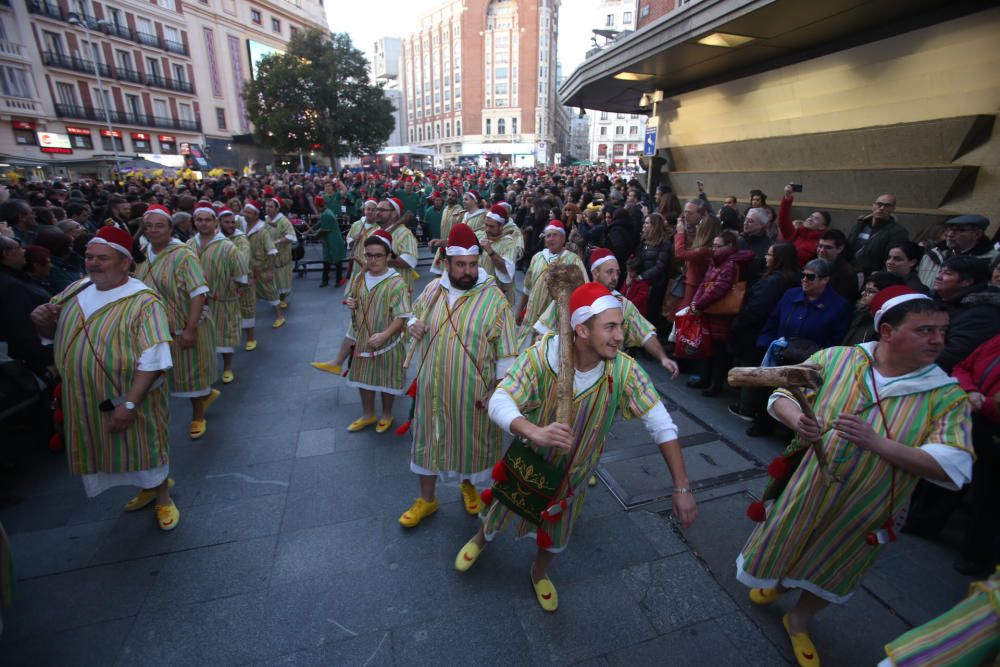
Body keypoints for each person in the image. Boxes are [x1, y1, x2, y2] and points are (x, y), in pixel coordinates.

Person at [737, 287, 973, 667]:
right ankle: (778, 582)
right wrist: (797, 418)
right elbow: (781, 394)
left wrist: (877, 443)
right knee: (791, 538)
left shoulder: (946, 395)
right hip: (809, 487)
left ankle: (798, 621)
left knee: (836, 562)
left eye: (942, 330)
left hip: (869, 506)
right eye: (925, 330)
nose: (939, 339)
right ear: (889, 331)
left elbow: (953, 465)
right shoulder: (835, 359)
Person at [455, 282, 698, 611]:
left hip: (574, 475)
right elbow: (501, 398)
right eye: (610, 326)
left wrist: (682, 487)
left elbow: (661, 424)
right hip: (528, 461)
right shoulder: (544, 355)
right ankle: (481, 539)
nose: (619, 335)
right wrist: (535, 432)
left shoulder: (623, 370)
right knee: (503, 504)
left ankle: (539, 573)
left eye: (621, 325)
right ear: (582, 329)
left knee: (556, 530)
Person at [30, 226, 180, 530]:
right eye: (89, 257)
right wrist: (43, 324)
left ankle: (163, 496)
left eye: (103, 258)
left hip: (128, 397)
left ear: (125, 263)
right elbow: (54, 337)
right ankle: (148, 488)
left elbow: (154, 359)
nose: (93, 263)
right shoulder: (75, 291)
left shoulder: (144, 301)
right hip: (85, 400)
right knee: (112, 450)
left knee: (146, 447)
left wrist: (129, 404)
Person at [400, 223, 517, 528]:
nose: (468, 271)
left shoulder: (495, 301)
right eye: (461, 265)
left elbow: (507, 356)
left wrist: (499, 389)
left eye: (473, 264)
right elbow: (414, 315)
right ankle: (427, 500)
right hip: (431, 390)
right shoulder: (432, 290)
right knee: (427, 443)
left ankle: (468, 486)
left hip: (472, 395)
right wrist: (412, 324)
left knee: (470, 444)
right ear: (447, 263)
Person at [134, 204, 219, 440]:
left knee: (192, 374)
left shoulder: (183, 253)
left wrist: (190, 329)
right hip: (154, 327)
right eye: (148, 226)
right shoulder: (141, 252)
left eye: (159, 225)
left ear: (170, 228)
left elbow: (198, 293)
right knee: (161, 377)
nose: (153, 231)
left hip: (182, 324)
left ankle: (198, 415)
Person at [534, 248, 680, 378]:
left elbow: (645, 332)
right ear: (595, 272)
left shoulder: (622, 304)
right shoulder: (572, 296)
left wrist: (663, 358)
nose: (615, 277)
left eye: (617, 273)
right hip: (569, 372)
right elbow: (542, 331)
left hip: (606, 378)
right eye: (609, 272)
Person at [341, 230, 411, 433]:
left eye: (377, 255)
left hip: (387, 343)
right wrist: (353, 303)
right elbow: (353, 299)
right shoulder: (360, 278)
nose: (372, 260)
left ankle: (387, 414)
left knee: (386, 379)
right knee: (364, 379)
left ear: (388, 256)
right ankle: (368, 414)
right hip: (363, 340)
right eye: (368, 255)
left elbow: (402, 316)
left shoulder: (396, 282)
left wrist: (384, 335)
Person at [728, 242, 800, 429]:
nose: (766, 257)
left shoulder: (774, 281)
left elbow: (757, 307)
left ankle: (747, 407)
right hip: (766, 331)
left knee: (751, 368)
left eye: (769, 254)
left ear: (779, 259)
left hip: (756, 330)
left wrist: (739, 322)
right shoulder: (788, 279)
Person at [950, 334, 1000, 577]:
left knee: (988, 497)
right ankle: (924, 523)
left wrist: (986, 405)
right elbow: (963, 366)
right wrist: (969, 390)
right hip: (969, 414)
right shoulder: (996, 341)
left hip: (992, 427)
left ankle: (976, 556)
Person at [688, 231, 755, 396]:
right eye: (714, 245)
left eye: (719, 246)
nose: (715, 249)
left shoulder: (730, 264)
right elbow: (705, 283)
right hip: (709, 310)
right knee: (708, 347)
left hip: (721, 313)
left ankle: (715, 383)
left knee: (719, 351)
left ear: (730, 246)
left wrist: (700, 303)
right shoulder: (715, 262)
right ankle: (705, 378)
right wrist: (696, 301)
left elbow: (719, 288)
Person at [188, 205, 248, 385]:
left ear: (215, 222)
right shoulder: (189, 245)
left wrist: (236, 288)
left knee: (225, 336)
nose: (203, 223)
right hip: (195, 301)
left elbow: (240, 272)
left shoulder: (227, 246)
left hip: (222, 299)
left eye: (207, 220)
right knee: (200, 339)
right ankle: (206, 370)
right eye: (199, 220)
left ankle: (227, 367)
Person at [756, 258, 852, 356]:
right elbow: (772, 322)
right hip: (778, 357)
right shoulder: (790, 295)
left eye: (810, 277)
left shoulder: (839, 306)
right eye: (802, 275)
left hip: (812, 364)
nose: (804, 279)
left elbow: (835, 341)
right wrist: (765, 346)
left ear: (825, 280)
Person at [515, 220, 587, 349]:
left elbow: (583, 289)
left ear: (563, 238)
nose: (551, 239)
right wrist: (520, 310)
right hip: (532, 315)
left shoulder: (572, 260)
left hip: (555, 320)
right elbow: (527, 287)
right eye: (548, 236)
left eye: (555, 235)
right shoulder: (537, 257)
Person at [930, 255, 1000, 373]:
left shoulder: (983, 314)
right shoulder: (935, 300)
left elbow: (953, 355)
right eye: (940, 271)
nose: (938, 276)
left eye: (947, 273)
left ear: (967, 282)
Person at [916, 214, 997, 289]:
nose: (950, 234)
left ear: (977, 235)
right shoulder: (933, 254)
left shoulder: (993, 260)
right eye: (948, 229)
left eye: (959, 230)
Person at [244, 200, 284, 337]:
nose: (246, 215)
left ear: (256, 215)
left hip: (262, 268)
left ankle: (279, 316)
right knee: (247, 297)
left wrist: (270, 270)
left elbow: (271, 251)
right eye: (246, 212)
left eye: (249, 212)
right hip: (248, 270)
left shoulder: (262, 231)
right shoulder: (242, 227)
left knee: (271, 292)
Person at [218, 208, 255, 354]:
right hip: (223, 283)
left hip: (243, 281)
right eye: (227, 222)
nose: (231, 225)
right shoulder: (216, 239)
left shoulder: (241, 239)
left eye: (233, 222)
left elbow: (243, 259)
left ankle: (251, 338)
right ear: (219, 222)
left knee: (247, 308)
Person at [673, 199, 720, 313]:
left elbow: (680, 253)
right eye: (685, 212)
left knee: (683, 315)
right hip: (689, 282)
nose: (685, 216)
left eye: (689, 212)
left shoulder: (705, 250)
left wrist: (680, 232)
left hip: (693, 286)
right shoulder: (704, 247)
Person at [847, 193, 908, 276]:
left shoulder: (898, 232)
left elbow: (892, 261)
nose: (882, 208)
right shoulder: (859, 225)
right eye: (879, 204)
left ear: (893, 209)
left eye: (887, 206)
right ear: (873, 206)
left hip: (872, 277)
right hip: (849, 273)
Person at [841, 271, 906, 345]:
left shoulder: (886, 326)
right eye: (864, 289)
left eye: (870, 291)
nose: (863, 293)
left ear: (887, 295)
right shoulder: (860, 314)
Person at [634, 212, 673, 330]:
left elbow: (660, 266)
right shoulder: (644, 240)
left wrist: (642, 276)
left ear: (654, 225)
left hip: (655, 284)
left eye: (647, 223)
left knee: (651, 312)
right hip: (644, 282)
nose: (644, 225)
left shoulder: (664, 243)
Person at [778, 183, 830, 268]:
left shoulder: (820, 244)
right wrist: (787, 197)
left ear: (822, 227)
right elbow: (783, 220)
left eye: (816, 219)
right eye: (810, 216)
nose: (810, 219)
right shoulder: (797, 233)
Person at [478, 204, 518, 305]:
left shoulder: (509, 242)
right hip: (480, 293)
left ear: (501, 226)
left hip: (499, 297)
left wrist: (490, 251)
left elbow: (506, 269)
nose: (487, 229)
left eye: (491, 226)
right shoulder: (481, 235)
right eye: (486, 225)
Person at [377, 197, 419, 293]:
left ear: (394, 213)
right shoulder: (376, 232)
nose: (377, 213)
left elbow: (409, 261)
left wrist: (380, 259)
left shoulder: (405, 234)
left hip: (399, 293)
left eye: (382, 210)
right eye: (377, 209)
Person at [264, 197, 296, 309]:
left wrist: (277, 242)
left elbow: (291, 236)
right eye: (266, 206)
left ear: (277, 208)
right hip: (269, 257)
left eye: (270, 207)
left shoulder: (284, 221)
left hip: (282, 256)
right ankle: (275, 299)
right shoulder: (265, 220)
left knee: (282, 281)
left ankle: (281, 299)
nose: (267, 209)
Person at [817, 230, 861, 305]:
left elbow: (840, 304)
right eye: (820, 246)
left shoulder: (847, 274)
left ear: (840, 249)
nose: (821, 250)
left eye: (828, 247)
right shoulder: (814, 264)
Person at [316, 195, 345, 288]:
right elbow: (321, 225)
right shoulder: (327, 212)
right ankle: (326, 280)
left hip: (333, 242)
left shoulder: (326, 215)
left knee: (336, 262)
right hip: (332, 241)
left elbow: (324, 230)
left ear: (317, 206)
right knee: (328, 262)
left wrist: (316, 236)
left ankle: (337, 280)